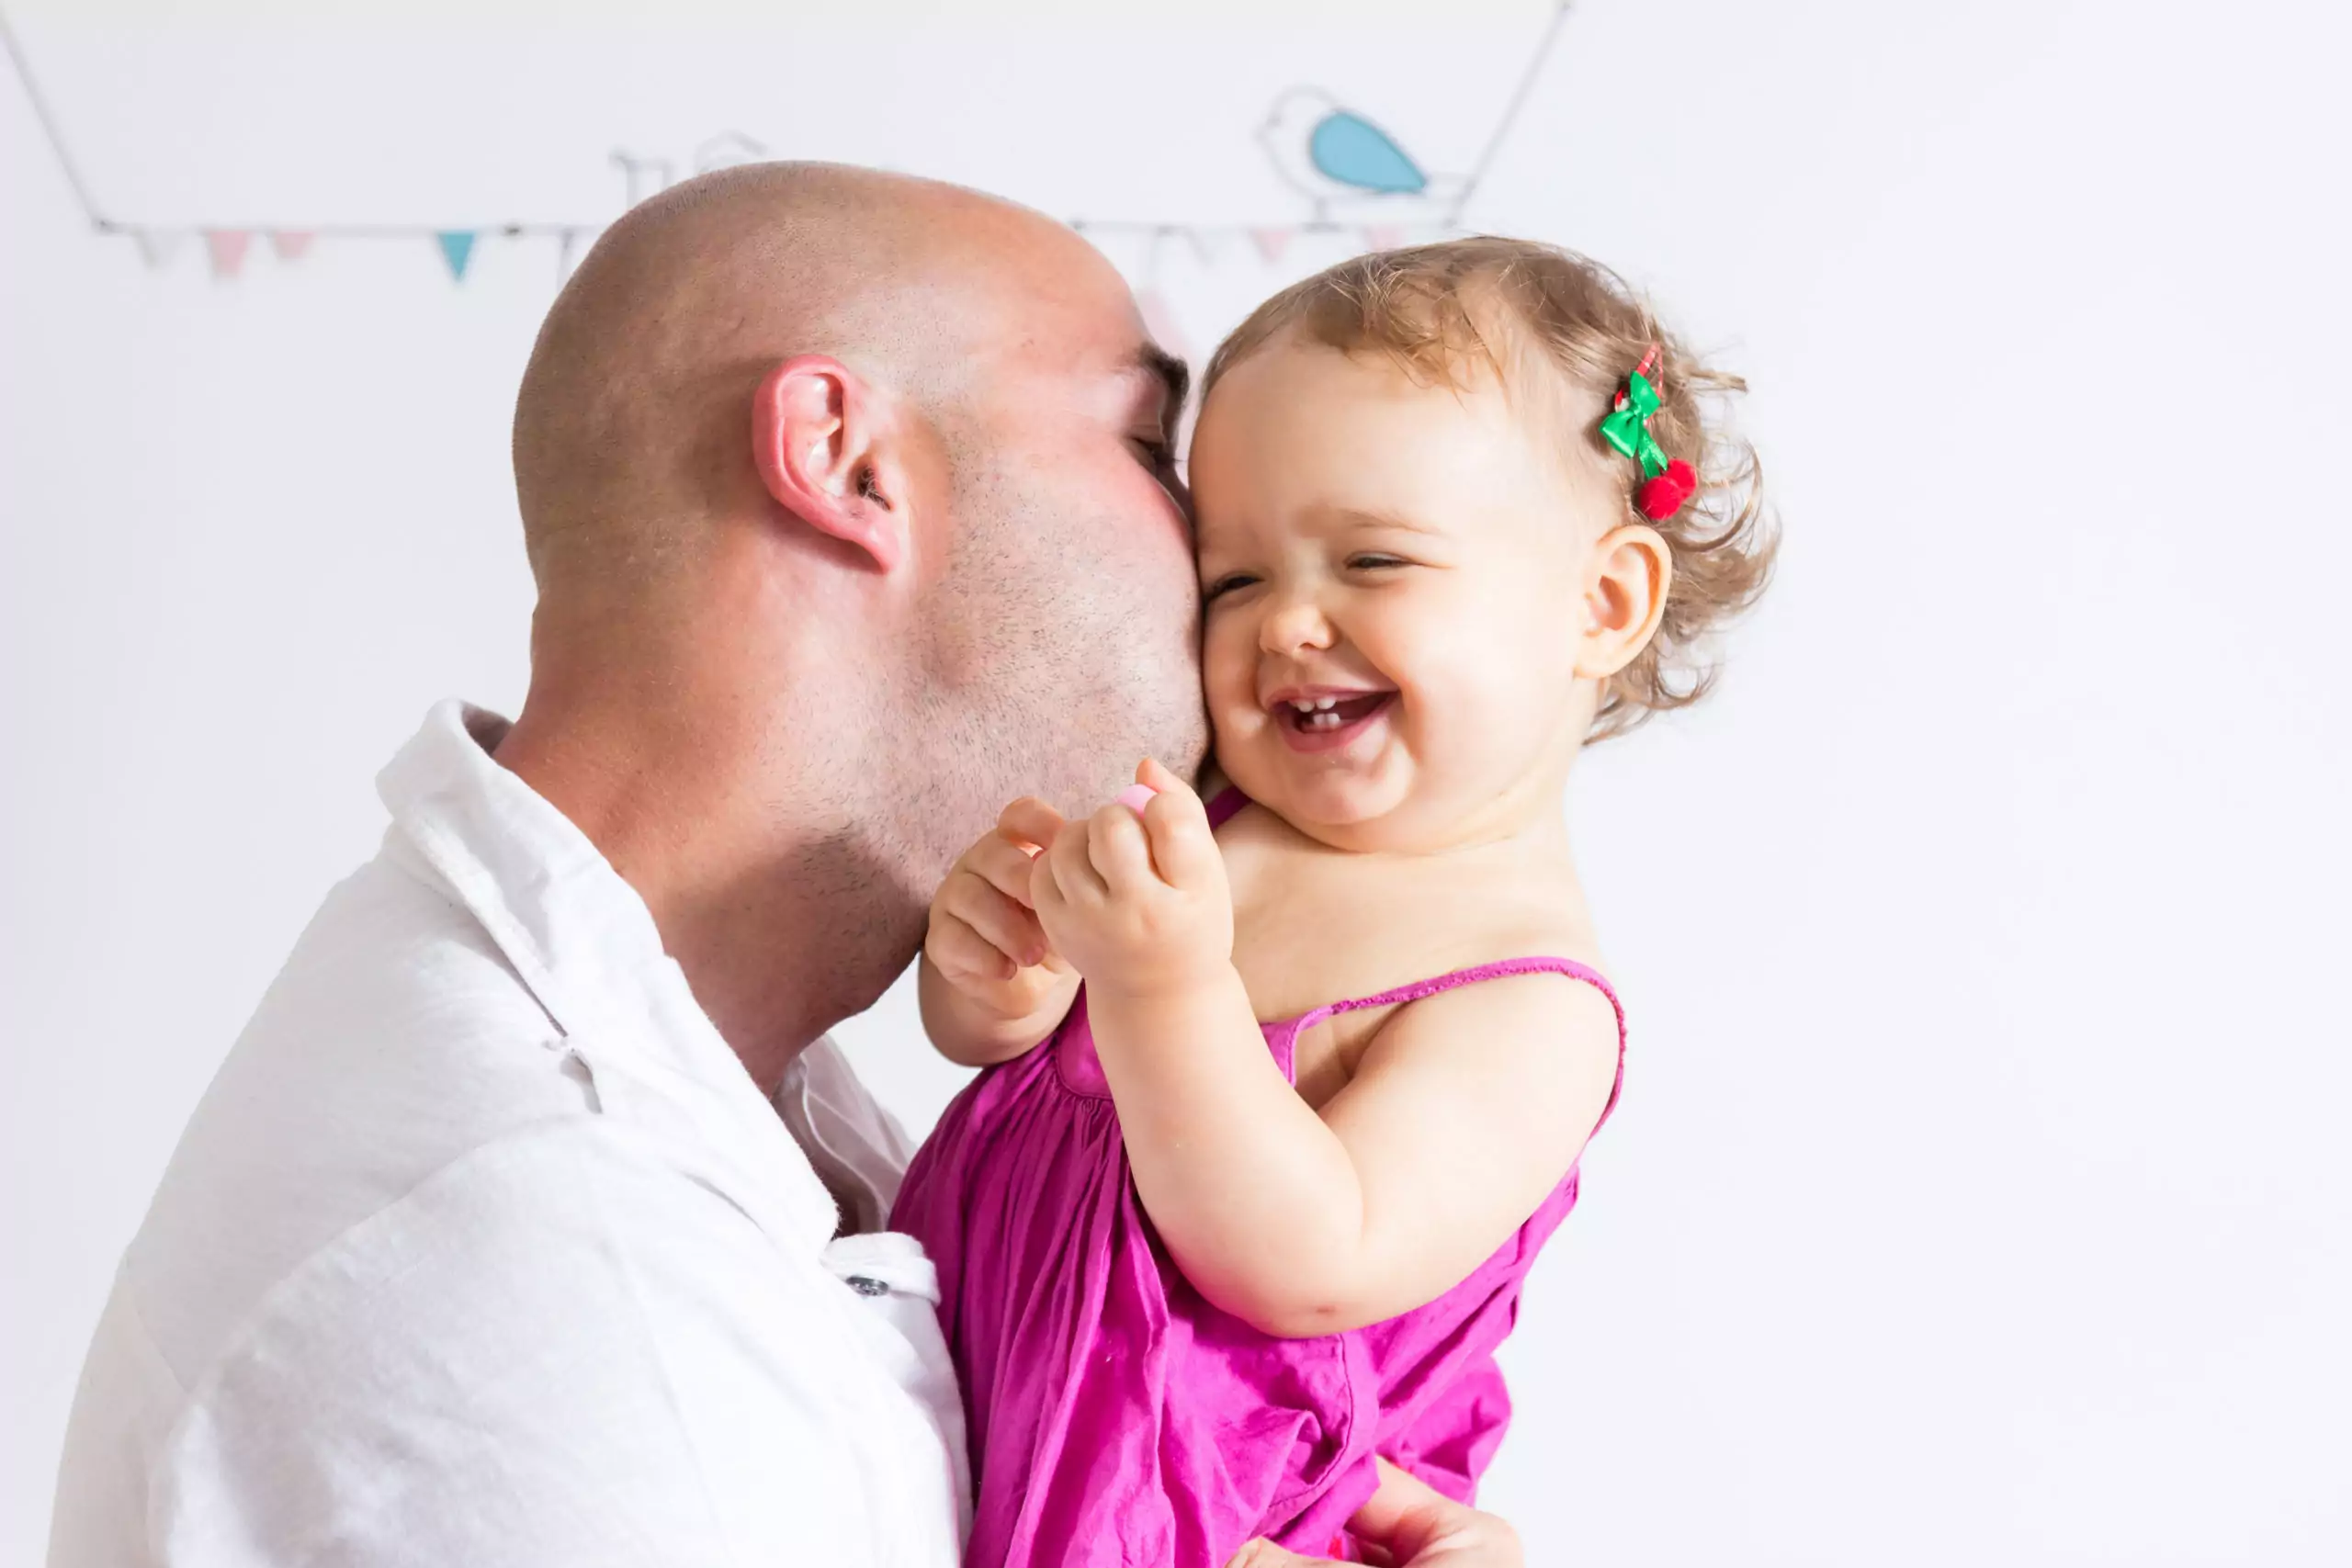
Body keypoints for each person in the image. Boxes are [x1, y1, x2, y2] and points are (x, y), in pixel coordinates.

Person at [45, 164, 1520, 1567]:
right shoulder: (567, 1275)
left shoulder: (701, 1093)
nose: (1225, 567)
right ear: (848, 462)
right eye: (1150, 448)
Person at [897, 238, 1779, 1566]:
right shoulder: (1216, 817)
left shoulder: (1526, 1001)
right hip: (969, 1437)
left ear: (1600, 603)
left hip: (1203, 1514)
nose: (1287, 624)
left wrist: (1158, 985)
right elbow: (1015, 1062)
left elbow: (1309, 1253)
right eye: (1236, 578)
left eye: (1371, 562)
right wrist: (1000, 970)